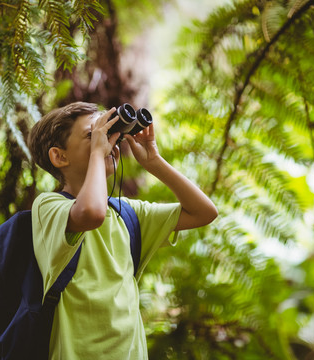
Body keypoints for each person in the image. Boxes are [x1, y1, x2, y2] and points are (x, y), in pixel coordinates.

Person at [27, 102, 218, 359]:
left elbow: (204, 212)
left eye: (108, 133)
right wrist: (98, 153)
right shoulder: (49, 207)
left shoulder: (126, 214)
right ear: (59, 156)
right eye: (93, 134)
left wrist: (154, 162)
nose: (106, 142)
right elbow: (91, 213)